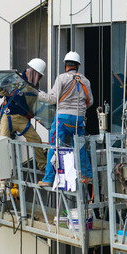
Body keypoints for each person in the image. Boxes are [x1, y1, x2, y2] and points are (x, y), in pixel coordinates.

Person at [37, 51, 93, 187]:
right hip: (79, 119)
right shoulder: (85, 80)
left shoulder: (62, 78)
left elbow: (52, 99)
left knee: (54, 146)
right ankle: (87, 175)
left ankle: (48, 179)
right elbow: (90, 101)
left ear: (65, 65)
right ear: (78, 65)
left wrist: (37, 94)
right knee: (80, 147)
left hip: (62, 119)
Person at [0, 58, 47, 170]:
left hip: (22, 119)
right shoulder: (15, 78)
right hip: (8, 116)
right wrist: (7, 87)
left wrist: (38, 114)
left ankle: (43, 166)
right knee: (2, 142)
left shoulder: (33, 86)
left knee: (36, 140)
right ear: (32, 71)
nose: (38, 78)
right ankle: (1, 170)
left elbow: (32, 104)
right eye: (38, 74)